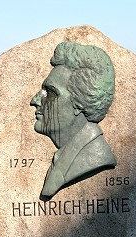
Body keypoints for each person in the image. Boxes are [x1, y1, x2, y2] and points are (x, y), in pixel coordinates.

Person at [30, 41, 117, 201]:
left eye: (49, 92)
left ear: (80, 102)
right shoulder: (65, 156)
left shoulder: (96, 157)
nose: (35, 100)